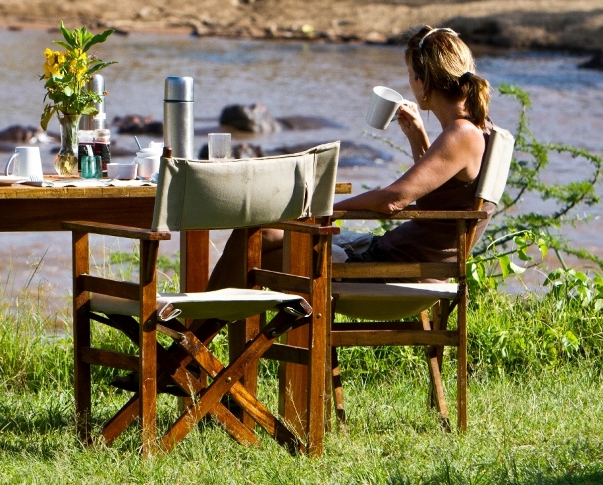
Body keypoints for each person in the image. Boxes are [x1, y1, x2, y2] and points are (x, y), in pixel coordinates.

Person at [209, 25, 495, 288]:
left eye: (409, 75)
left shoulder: (461, 133)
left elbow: (393, 200)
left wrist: (325, 213)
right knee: (259, 236)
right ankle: (198, 331)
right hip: (394, 257)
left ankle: (194, 332)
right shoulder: (474, 129)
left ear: (423, 82)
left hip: (393, 270)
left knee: (253, 241)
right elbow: (439, 194)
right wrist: (417, 136)